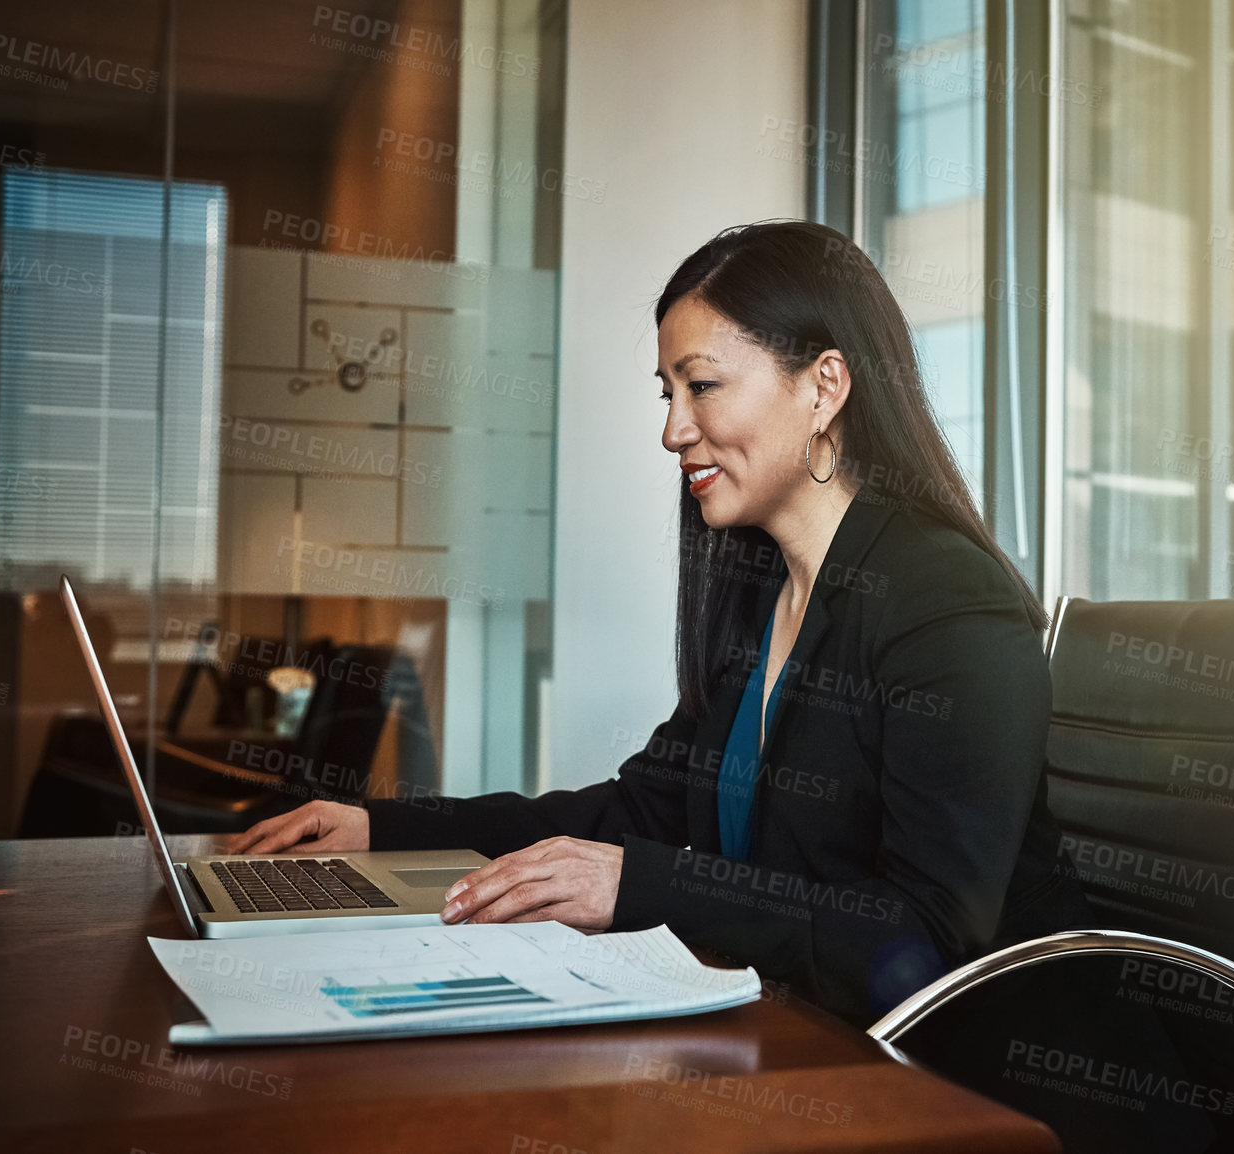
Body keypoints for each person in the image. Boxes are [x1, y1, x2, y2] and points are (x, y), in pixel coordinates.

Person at [226, 219, 1091, 1025]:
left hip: (972, 1076)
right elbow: (634, 814)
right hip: (809, 1037)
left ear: (824, 385)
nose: (675, 430)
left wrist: (645, 886)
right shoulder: (764, 593)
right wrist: (380, 829)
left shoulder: (946, 601)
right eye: (668, 391)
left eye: (703, 386)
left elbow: (929, 939)